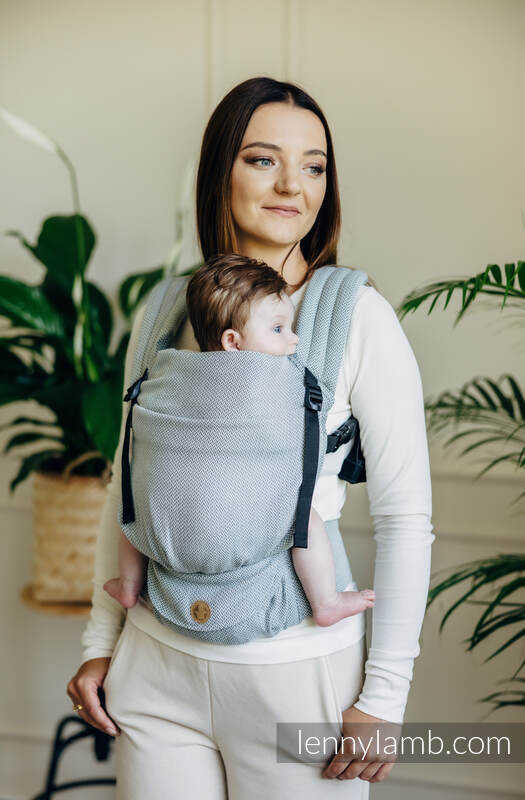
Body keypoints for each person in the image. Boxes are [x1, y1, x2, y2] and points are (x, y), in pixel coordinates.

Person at [67, 76, 434, 798]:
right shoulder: (164, 310)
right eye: (263, 159)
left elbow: (404, 517)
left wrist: (385, 696)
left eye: (314, 166)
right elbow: (127, 489)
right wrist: (101, 642)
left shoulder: (356, 317)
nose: (292, 184)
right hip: (154, 667)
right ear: (220, 173)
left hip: (296, 673)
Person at [102, 253, 376, 627]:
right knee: (308, 523)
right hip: (244, 529)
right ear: (232, 341)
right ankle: (326, 601)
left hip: (165, 522)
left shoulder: (170, 372)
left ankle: (129, 585)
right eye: (278, 329)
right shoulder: (276, 381)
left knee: (133, 519)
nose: (294, 339)